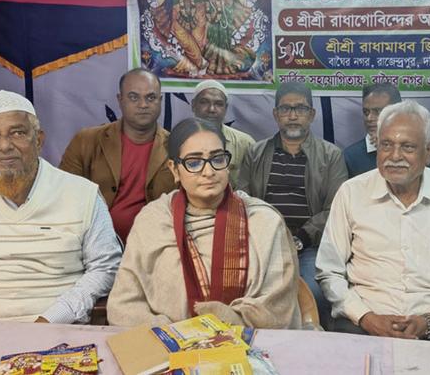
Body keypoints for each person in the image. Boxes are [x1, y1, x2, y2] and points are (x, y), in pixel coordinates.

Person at [0, 91, 122, 323]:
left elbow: (106, 267)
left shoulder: (82, 194)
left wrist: (53, 318)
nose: (4, 146)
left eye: (17, 133)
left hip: (58, 328)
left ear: (38, 140)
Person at [317, 100, 430, 343]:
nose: (395, 156)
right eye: (386, 145)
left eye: (407, 147)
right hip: (364, 319)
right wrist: (365, 317)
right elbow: (329, 271)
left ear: (428, 152)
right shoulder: (351, 193)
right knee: (342, 347)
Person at [107, 118, 300, 329]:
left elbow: (279, 308)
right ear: (174, 169)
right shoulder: (152, 221)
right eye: (194, 162)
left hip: (249, 341)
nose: (209, 172)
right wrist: (166, 332)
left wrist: (234, 318)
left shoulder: (264, 222)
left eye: (217, 158)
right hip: (165, 342)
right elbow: (124, 304)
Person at [237, 82, 348, 325]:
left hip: (309, 245)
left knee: (315, 293)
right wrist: (269, 236)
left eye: (300, 108)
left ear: (312, 114)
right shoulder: (255, 153)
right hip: (264, 243)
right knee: (248, 293)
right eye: (286, 109)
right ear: (276, 114)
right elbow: (242, 201)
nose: (293, 115)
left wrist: (301, 238)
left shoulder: (331, 156)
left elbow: (335, 209)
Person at [60, 68, 176, 243]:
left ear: (160, 100)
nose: (143, 104)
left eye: (151, 97)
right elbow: (64, 196)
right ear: (120, 100)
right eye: (134, 97)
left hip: (157, 245)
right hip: (92, 244)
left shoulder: (177, 147)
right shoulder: (86, 141)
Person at [190, 79, 254, 187]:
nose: (211, 109)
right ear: (193, 105)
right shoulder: (180, 141)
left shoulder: (244, 143)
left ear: (226, 108)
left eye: (219, 104)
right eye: (204, 102)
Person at [343, 83, 401, 178]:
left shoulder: (413, 150)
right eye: (366, 112)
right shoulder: (350, 156)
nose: (369, 118)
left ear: (397, 114)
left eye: (378, 112)